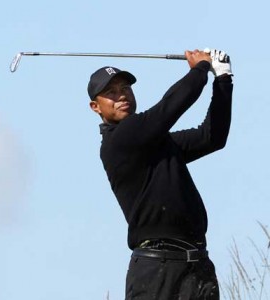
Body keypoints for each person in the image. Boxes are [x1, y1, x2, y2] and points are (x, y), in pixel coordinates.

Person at [88, 48, 233, 300]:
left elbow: (212, 137)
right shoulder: (120, 140)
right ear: (95, 107)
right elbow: (169, 109)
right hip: (156, 269)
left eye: (125, 89)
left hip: (197, 266)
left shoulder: (159, 142)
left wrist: (223, 80)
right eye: (111, 92)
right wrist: (200, 69)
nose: (121, 95)